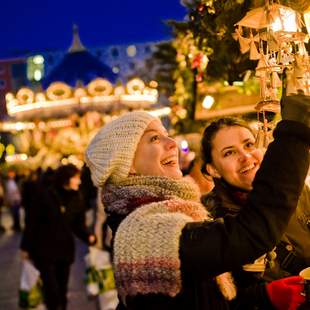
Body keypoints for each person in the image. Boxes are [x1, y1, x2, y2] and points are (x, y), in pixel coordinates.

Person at [85, 94, 309, 310]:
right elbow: (250, 234)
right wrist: (293, 135)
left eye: (166, 134)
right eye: (154, 138)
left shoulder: (171, 216)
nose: (172, 142)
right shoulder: (144, 233)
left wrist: (264, 296)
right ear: (128, 166)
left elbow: (209, 297)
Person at [200, 115, 310, 309]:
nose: (245, 156)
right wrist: (264, 297)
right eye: (229, 153)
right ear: (213, 170)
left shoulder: (297, 191)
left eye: (249, 145)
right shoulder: (207, 220)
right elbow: (214, 300)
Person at [20, 164, 97, 310]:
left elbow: (78, 226)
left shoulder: (77, 198)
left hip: (64, 252)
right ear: (66, 179)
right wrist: (25, 247)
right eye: (76, 178)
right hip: (44, 251)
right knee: (52, 291)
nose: (79, 181)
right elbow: (32, 222)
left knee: (62, 290)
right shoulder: (45, 195)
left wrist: (88, 237)